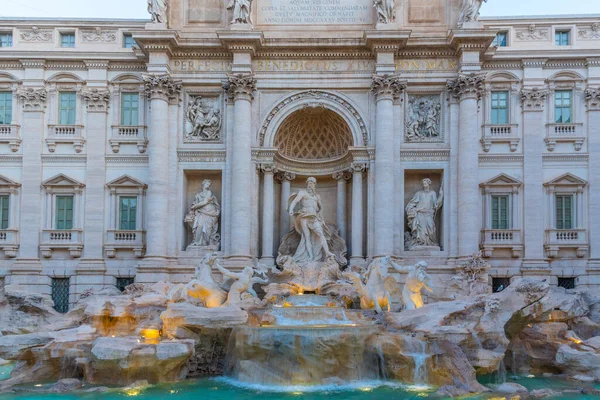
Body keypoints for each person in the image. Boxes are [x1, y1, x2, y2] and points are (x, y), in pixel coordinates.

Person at [287, 177, 334, 262]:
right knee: (307, 237)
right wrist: (291, 209)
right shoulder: (302, 193)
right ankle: (311, 256)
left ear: (314, 185)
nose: (310, 185)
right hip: (304, 216)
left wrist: (320, 214)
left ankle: (327, 252)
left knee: (321, 234)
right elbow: (295, 201)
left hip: (314, 217)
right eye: (308, 183)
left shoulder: (317, 196)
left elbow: (321, 207)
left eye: (312, 183)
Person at [406, 178, 443, 248]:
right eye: (423, 184)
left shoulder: (432, 193)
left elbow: (436, 204)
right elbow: (412, 203)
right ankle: (420, 243)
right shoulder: (419, 193)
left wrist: (441, 195)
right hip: (420, 214)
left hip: (429, 214)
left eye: (425, 183)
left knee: (431, 229)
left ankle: (430, 242)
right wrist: (413, 209)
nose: (424, 185)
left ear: (429, 184)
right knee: (420, 230)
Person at [190, 180, 220, 246]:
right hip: (201, 212)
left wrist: (194, 206)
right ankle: (197, 242)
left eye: (209, 185)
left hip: (210, 213)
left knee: (208, 229)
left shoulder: (209, 193)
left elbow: (205, 202)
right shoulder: (198, 195)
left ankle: (206, 242)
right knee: (199, 226)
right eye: (207, 184)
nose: (208, 186)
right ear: (203, 184)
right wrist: (193, 208)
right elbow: (194, 203)